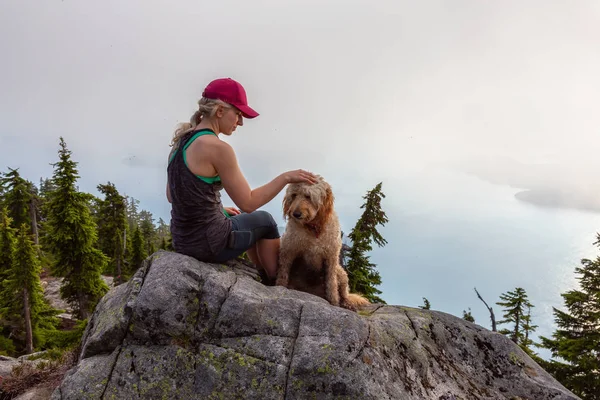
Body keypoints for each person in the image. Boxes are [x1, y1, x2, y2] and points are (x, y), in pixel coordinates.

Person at [166, 77, 317, 283]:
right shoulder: (219, 149)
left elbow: (172, 195)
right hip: (209, 245)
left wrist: (217, 209)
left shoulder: (181, 141)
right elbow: (248, 202)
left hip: (183, 241)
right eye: (237, 114)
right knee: (265, 221)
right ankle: (276, 282)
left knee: (242, 219)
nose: (240, 122)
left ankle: (260, 273)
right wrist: (285, 177)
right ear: (220, 111)